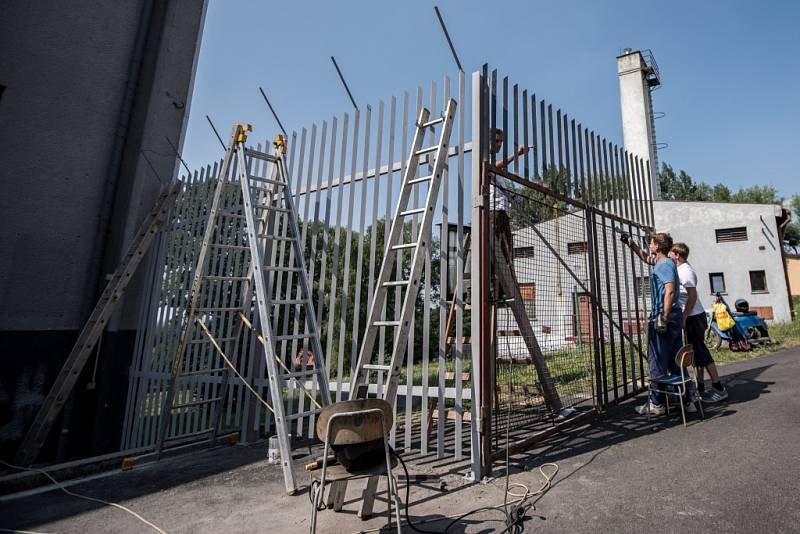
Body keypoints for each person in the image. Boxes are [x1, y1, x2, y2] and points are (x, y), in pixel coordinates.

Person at [621, 231, 696, 415]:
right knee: (675, 359)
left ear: (658, 246)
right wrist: (631, 244)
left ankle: (657, 404)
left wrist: (663, 315)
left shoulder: (663, 265)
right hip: (675, 316)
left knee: (656, 360)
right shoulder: (667, 262)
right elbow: (647, 259)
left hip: (664, 317)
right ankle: (688, 400)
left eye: (652, 242)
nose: (649, 244)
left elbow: (669, 291)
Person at [669, 243, 728, 402]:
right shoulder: (678, 269)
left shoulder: (686, 272)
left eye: (670, 252)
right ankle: (700, 388)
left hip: (694, 317)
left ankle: (719, 388)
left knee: (701, 352)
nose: (668, 254)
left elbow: (692, 296)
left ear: (677, 255)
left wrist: (684, 316)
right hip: (691, 316)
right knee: (695, 355)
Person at [489, 128, 526, 262]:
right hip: (492, 210)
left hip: (502, 210)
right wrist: (516, 154)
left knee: (507, 252)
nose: (499, 144)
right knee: (493, 251)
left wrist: (512, 196)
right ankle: (492, 278)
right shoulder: (483, 156)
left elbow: (500, 187)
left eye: (501, 141)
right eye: (496, 141)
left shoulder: (496, 163)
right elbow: (494, 165)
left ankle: (506, 278)